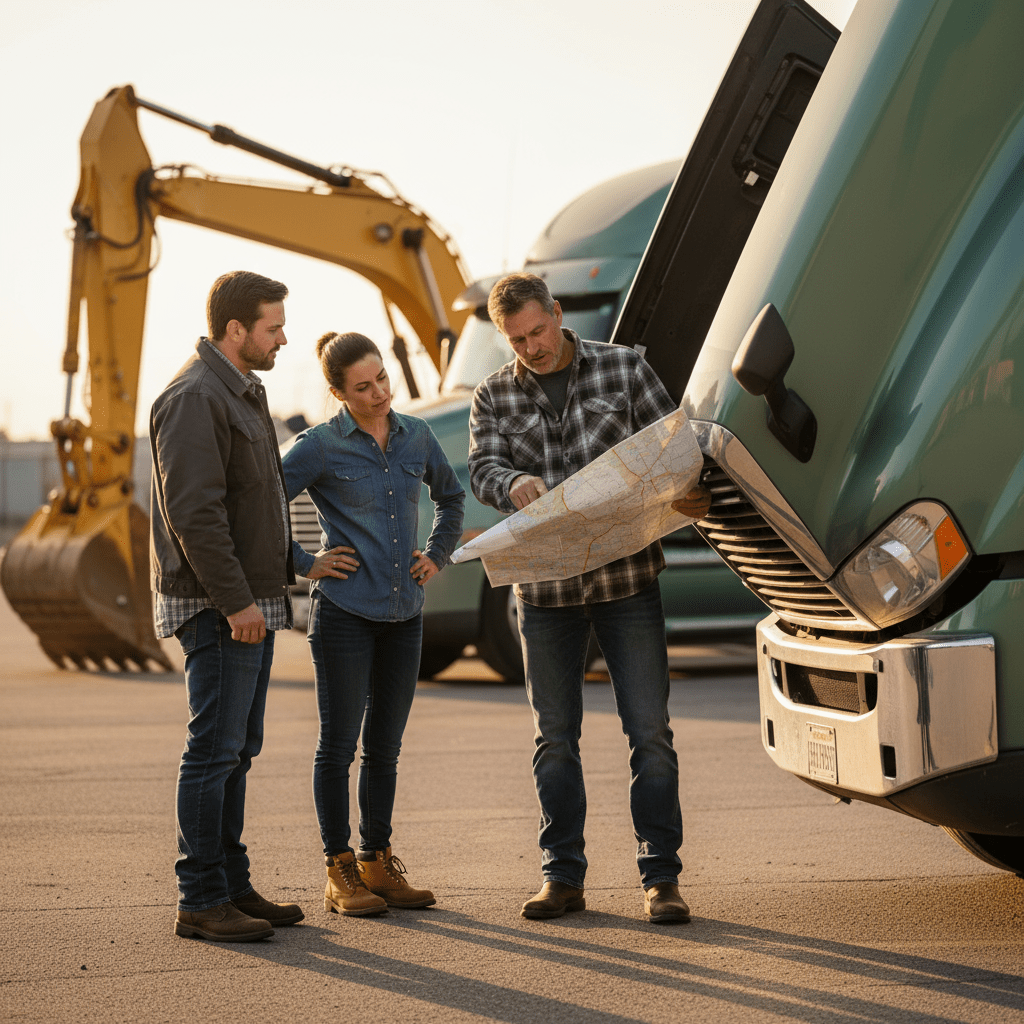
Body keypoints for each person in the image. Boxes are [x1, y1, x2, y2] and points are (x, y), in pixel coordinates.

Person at [468, 272, 690, 924]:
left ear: (558, 315)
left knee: (649, 733)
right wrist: (511, 484)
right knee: (554, 738)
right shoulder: (493, 392)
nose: (531, 348)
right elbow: (482, 464)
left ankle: (661, 881)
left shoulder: (625, 370)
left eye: (537, 331)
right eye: (516, 339)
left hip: (627, 582)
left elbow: (674, 448)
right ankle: (561, 877)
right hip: (544, 593)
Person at [281, 331, 464, 917]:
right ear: (338, 392)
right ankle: (339, 871)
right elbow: (259, 504)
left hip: (403, 614)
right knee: (338, 748)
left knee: (385, 747)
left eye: (382, 378)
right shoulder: (319, 447)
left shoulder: (417, 434)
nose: (380, 392)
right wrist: (306, 563)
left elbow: (452, 497)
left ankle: (377, 863)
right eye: (362, 387)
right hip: (345, 615)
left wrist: (436, 554)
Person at [150, 269, 303, 942]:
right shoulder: (193, 397)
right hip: (219, 608)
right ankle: (201, 899)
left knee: (237, 750)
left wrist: (295, 566)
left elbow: (256, 504)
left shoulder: (242, 391)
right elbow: (196, 514)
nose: (283, 338)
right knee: (213, 751)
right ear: (235, 330)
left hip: (251, 601)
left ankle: (233, 886)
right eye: (273, 327)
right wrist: (238, 602)